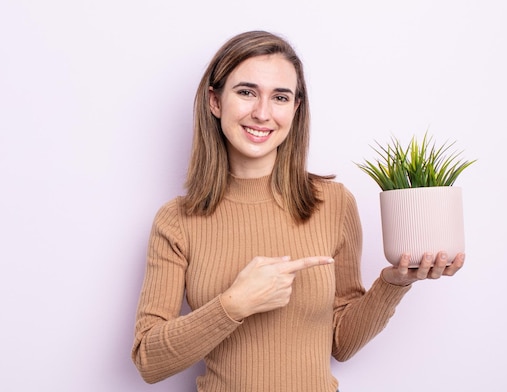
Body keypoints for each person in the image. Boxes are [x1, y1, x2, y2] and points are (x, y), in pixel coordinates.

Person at [131, 30, 465, 392]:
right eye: (246, 92)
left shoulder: (333, 203)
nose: (262, 113)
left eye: (280, 97)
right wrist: (234, 303)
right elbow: (149, 361)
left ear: (295, 108)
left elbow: (342, 343)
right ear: (215, 101)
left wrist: (394, 284)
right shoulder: (178, 219)